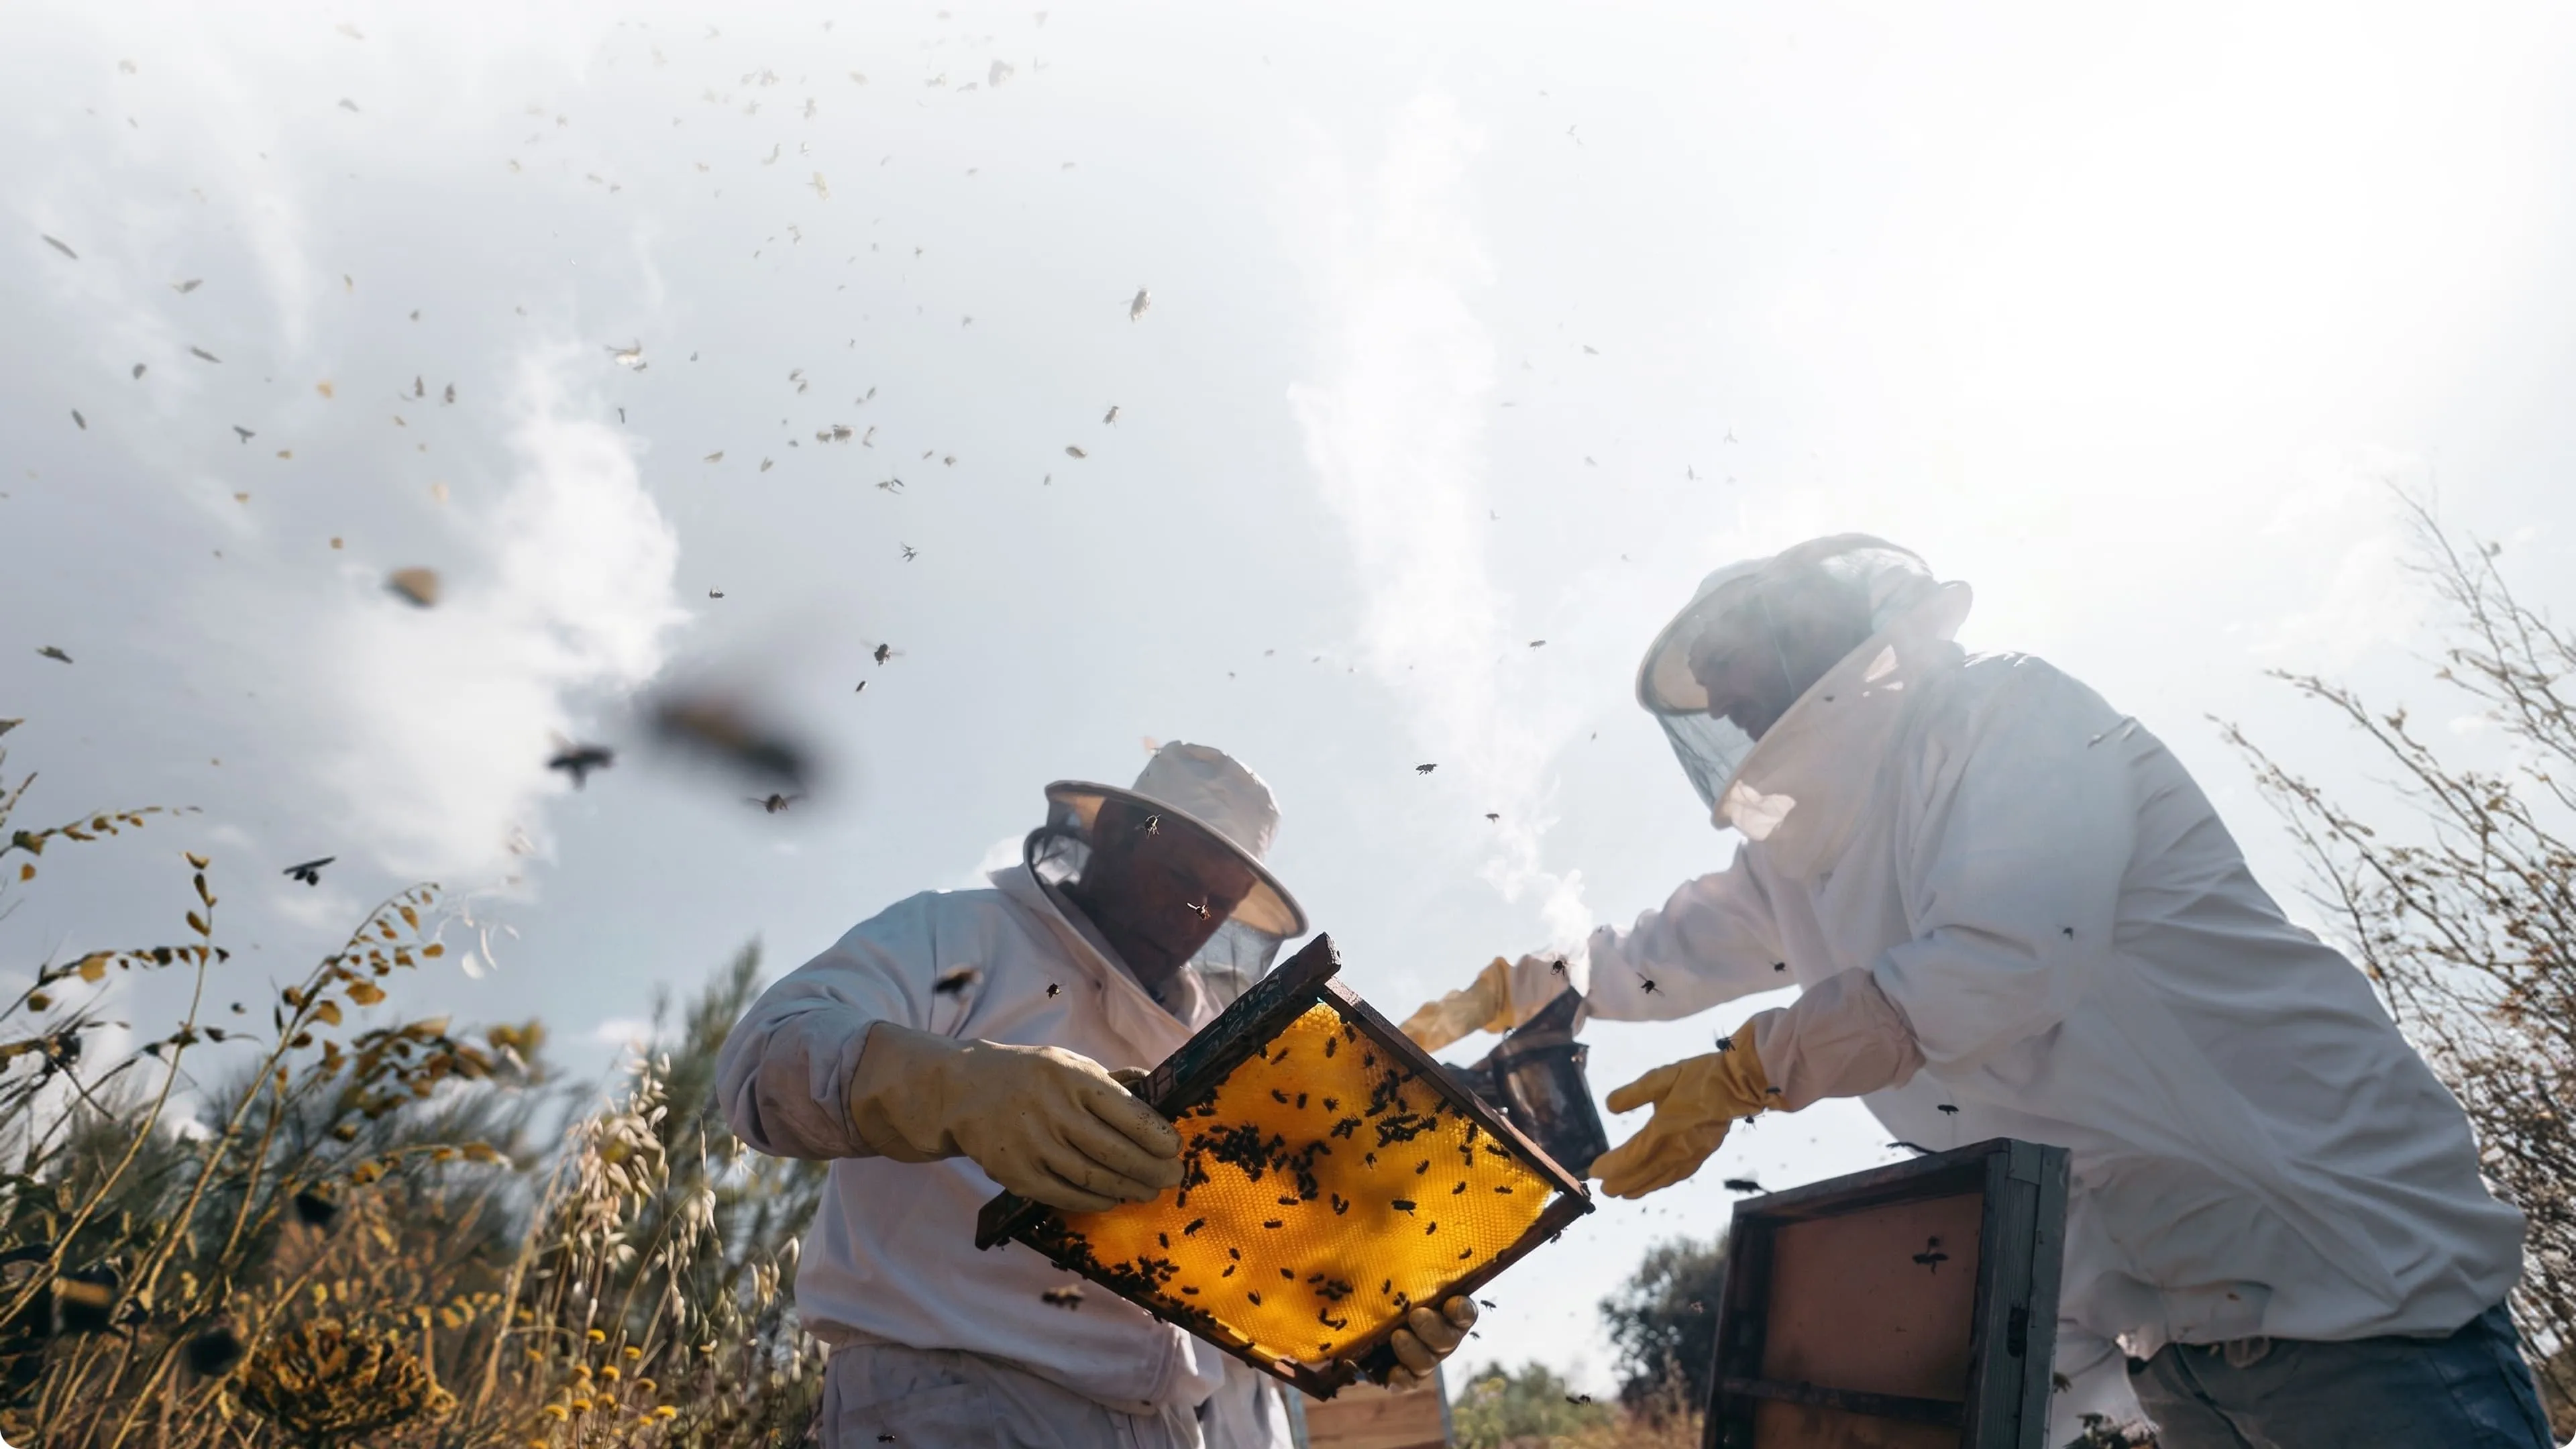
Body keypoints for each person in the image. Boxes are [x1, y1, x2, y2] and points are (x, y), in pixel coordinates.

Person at [1399, 535, 2552, 1449]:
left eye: (1732, 663)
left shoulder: (2008, 718)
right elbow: (1671, 947)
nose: (1726, 700)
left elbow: (2007, 958)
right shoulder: (1800, 857)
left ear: (1811, 625)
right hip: (2175, 1342)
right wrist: (1519, 989)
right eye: (1706, 689)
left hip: (2351, 1280)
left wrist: (1756, 1071)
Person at [719, 742, 1477, 1449]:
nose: (1196, 917)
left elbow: (1260, 1243)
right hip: (951, 1402)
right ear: (1114, 831)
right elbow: (766, 1054)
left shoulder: (1222, 1034)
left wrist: (1368, 1315)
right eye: (1182, 878)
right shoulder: (962, 933)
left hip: (1174, 1425)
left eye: (1220, 902)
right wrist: (952, 1087)